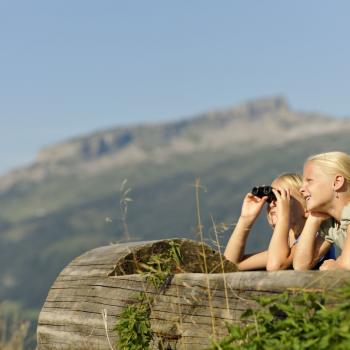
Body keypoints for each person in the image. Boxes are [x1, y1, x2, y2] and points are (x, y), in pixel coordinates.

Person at [225, 173, 312, 271]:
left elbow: (276, 265)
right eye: (271, 198)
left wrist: (283, 216)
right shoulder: (281, 252)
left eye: (282, 197)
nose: (273, 203)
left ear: (307, 208)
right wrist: (246, 219)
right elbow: (229, 265)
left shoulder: (315, 240)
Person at [293, 151, 350, 271]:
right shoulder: (333, 224)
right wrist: (313, 219)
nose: (302, 189)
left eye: (309, 180)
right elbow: (301, 265)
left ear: (337, 182)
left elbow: (347, 265)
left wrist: (335, 266)